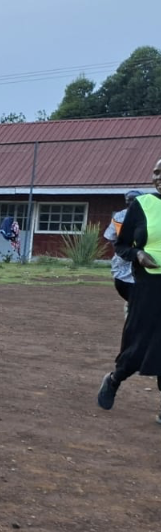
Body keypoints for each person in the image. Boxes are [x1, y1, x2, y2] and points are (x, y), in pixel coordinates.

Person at [97, 158, 161, 424]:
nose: (158, 176)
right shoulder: (142, 205)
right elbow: (121, 245)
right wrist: (138, 255)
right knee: (138, 342)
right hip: (147, 286)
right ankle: (114, 379)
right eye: (156, 172)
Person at [105, 190, 143, 316]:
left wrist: (122, 250)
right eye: (129, 201)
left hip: (132, 260)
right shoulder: (121, 216)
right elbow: (112, 237)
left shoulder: (120, 216)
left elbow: (111, 237)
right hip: (131, 260)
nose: (130, 203)